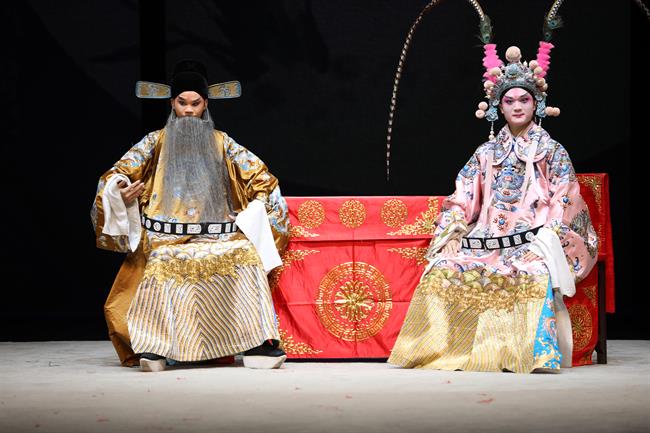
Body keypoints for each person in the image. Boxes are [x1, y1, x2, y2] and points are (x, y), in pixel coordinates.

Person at [388, 42, 598, 373]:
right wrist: (453, 231)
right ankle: (443, 352)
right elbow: (462, 196)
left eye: (524, 99)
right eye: (509, 101)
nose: (517, 107)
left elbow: (565, 200)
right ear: (498, 107)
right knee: (444, 266)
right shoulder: (486, 153)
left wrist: (547, 243)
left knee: (533, 273)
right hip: (486, 242)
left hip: (534, 242)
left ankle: (530, 355)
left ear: (536, 103)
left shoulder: (552, 152)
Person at [91, 60, 290, 371]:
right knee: (160, 261)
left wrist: (252, 213)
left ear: (205, 104)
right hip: (162, 239)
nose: (187, 110)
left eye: (195, 103)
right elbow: (117, 174)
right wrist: (120, 191)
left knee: (246, 255)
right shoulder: (154, 142)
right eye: (181, 102)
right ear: (172, 103)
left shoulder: (223, 143)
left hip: (216, 236)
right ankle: (154, 347)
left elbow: (264, 181)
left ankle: (254, 343)